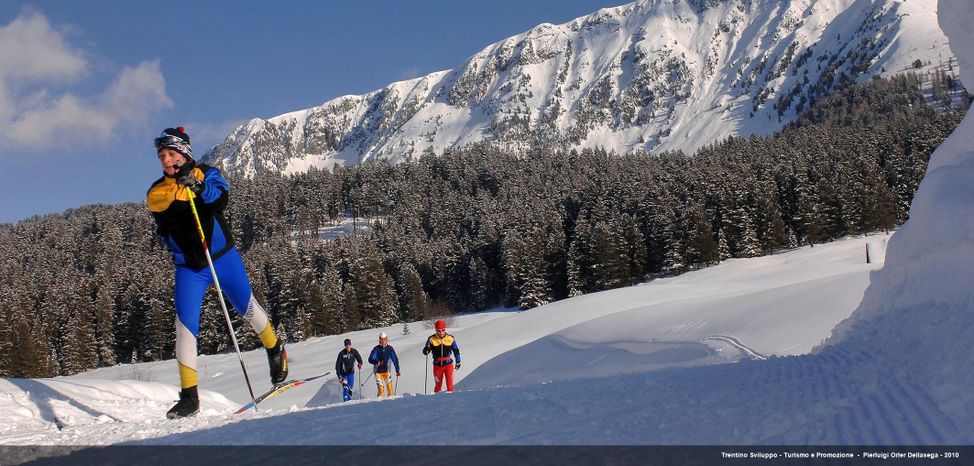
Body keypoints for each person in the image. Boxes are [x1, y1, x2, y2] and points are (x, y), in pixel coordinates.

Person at [147, 127, 287, 419]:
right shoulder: (156, 193)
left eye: (171, 153)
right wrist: (171, 245)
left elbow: (221, 199)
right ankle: (189, 397)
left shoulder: (206, 172)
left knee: (248, 309)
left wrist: (198, 188)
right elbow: (161, 228)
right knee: (185, 328)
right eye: (162, 155)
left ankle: (275, 349)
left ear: (184, 152)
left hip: (222, 258)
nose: (166, 160)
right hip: (189, 268)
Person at [422, 320, 461, 393]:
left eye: (443, 330)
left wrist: (458, 361)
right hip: (437, 365)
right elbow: (425, 350)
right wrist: (426, 350)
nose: (441, 333)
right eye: (438, 331)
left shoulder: (450, 338)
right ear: (435, 330)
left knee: (450, 385)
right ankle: (437, 401)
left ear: (445, 329)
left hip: (448, 365)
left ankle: (451, 400)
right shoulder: (431, 339)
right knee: (438, 385)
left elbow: (456, 350)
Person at [367, 332, 400, 397]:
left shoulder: (390, 349)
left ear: (387, 339)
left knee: (390, 390)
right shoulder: (376, 349)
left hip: (387, 372)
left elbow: (395, 360)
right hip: (378, 372)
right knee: (381, 390)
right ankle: (378, 404)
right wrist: (377, 362)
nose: (383, 341)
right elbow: (370, 359)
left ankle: (390, 404)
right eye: (381, 339)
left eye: (384, 339)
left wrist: (397, 370)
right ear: (379, 340)